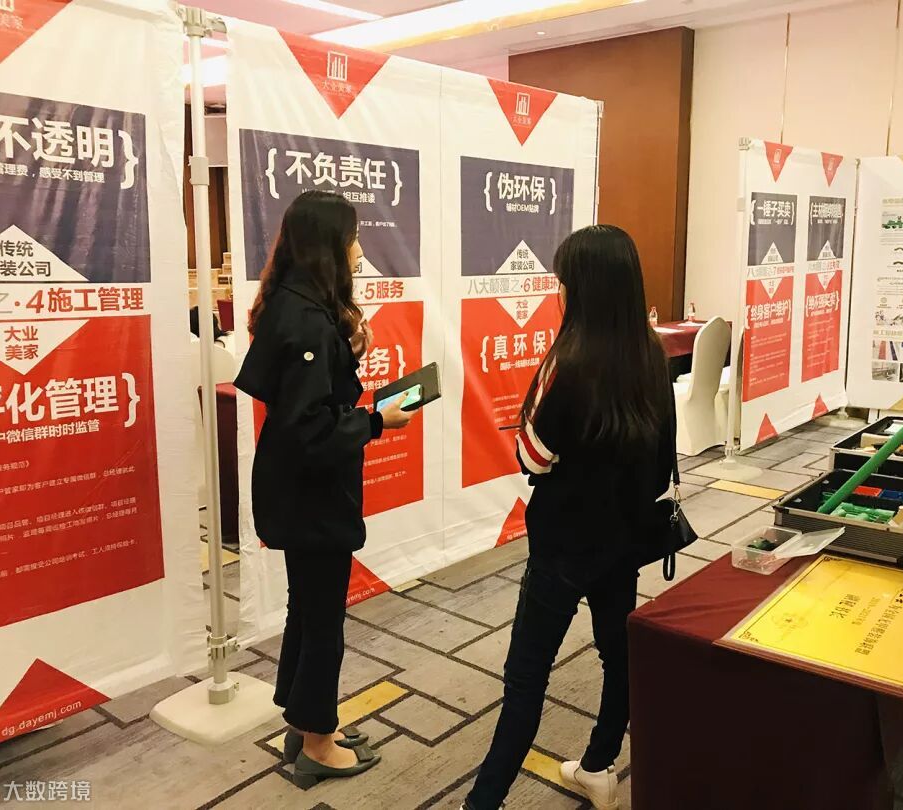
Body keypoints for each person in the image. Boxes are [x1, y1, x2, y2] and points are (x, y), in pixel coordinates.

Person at [464, 225, 677, 810]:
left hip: (563, 546)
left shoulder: (569, 360)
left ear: (580, 288)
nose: (557, 291)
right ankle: (600, 767)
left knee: (527, 677)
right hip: (626, 539)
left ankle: (482, 802)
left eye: (561, 281)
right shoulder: (652, 355)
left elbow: (533, 456)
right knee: (617, 656)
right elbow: (663, 458)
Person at [233, 190, 412, 789]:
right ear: (329, 246)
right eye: (353, 238)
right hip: (311, 494)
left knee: (308, 609)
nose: (359, 250)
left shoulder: (294, 302)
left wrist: (349, 359)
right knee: (322, 618)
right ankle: (317, 740)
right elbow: (310, 428)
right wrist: (377, 421)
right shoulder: (306, 318)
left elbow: (300, 401)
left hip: (296, 489)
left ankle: (303, 720)